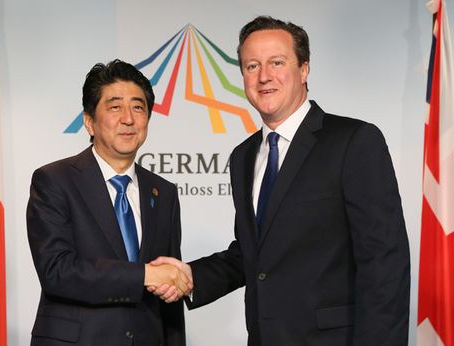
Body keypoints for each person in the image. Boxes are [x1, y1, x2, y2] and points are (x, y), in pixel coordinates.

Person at [152, 16, 411, 345]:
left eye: (277, 62)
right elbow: (254, 254)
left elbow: (385, 264)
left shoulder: (354, 141)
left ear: (304, 69)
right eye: (251, 66)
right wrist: (191, 277)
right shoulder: (244, 156)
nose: (264, 77)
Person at [26, 59, 191, 346]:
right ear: (89, 121)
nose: (128, 118)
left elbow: (169, 295)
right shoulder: (54, 180)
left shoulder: (163, 193)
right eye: (115, 107)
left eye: (138, 107)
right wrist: (145, 275)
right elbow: (58, 271)